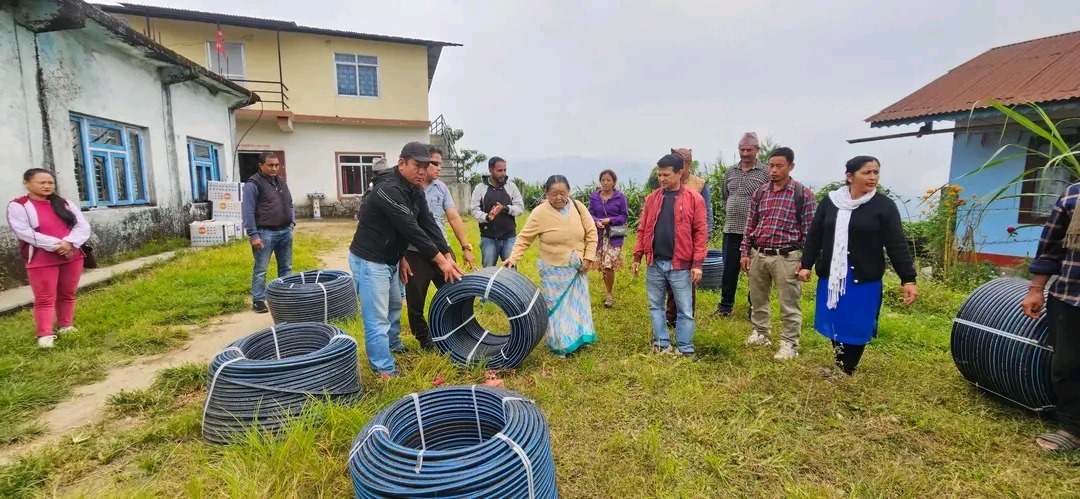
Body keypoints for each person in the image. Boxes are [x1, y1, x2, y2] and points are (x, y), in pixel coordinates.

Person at [349, 142, 464, 377]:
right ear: (402, 163)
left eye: (426, 166)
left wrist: (448, 253)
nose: (422, 171)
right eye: (417, 166)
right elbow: (411, 229)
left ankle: (392, 346)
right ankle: (383, 368)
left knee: (393, 308)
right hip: (371, 261)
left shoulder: (415, 188)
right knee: (377, 317)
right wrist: (441, 262)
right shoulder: (387, 189)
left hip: (392, 257)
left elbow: (428, 222)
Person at [798, 156, 918, 376]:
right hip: (833, 276)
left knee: (857, 323)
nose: (873, 177)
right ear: (849, 176)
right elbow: (815, 234)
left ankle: (847, 368)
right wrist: (806, 264)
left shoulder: (883, 206)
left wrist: (908, 278)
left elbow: (896, 244)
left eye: (876, 172)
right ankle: (840, 363)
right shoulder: (831, 202)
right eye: (867, 172)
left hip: (863, 278)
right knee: (835, 319)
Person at [504, 175, 598, 358]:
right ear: (546, 193)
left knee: (577, 305)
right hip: (553, 268)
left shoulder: (578, 207)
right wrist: (513, 258)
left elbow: (592, 233)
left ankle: (578, 337)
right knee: (556, 306)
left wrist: (588, 258)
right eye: (554, 194)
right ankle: (560, 344)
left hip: (577, 267)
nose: (558, 198)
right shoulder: (539, 213)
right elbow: (524, 238)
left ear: (569, 192)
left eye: (562, 193)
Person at [1021, 181, 1080, 453]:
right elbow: (1050, 246)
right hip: (1071, 296)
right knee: (1067, 365)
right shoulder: (1073, 193)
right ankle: (1072, 428)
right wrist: (1036, 289)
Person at [741, 146, 815, 360]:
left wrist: (806, 261)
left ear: (791, 166)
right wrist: (745, 251)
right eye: (771, 165)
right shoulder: (761, 192)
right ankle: (760, 332)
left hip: (787, 257)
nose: (773, 170)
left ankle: (790, 344)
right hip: (759, 254)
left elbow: (810, 232)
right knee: (757, 297)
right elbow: (750, 223)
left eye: (779, 166)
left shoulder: (803, 194)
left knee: (789, 301)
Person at [401, 145, 477, 350]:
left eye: (440, 164)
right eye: (434, 163)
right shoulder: (407, 189)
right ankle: (425, 340)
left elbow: (453, 216)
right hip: (415, 254)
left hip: (442, 251)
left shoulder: (441, 188)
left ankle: (459, 331)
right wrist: (402, 256)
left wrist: (465, 246)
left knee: (456, 291)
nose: (438, 168)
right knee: (416, 300)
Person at [7, 168, 93, 348]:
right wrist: (57, 245)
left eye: (50, 183)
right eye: (42, 182)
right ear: (27, 183)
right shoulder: (19, 205)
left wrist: (69, 243)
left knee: (67, 294)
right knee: (45, 297)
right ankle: (45, 334)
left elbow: (82, 226)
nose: (47, 186)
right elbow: (24, 233)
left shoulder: (64, 203)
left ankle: (65, 325)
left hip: (71, 255)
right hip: (41, 258)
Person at [633, 154, 708, 357]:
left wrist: (697, 264)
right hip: (655, 262)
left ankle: (685, 347)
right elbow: (642, 229)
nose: (662, 179)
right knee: (655, 306)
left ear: (679, 173)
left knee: (685, 309)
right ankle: (662, 343)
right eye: (659, 174)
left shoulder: (694, 199)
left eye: (666, 174)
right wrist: (637, 256)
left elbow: (700, 232)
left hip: (681, 265)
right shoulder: (653, 198)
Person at [716, 132, 770, 317]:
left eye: (749, 149)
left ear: (757, 150)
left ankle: (754, 308)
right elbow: (725, 196)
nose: (745, 153)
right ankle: (725, 307)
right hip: (731, 229)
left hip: (755, 231)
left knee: (755, 272)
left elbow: (771, 198)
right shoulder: (731, 171)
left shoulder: (765, 172)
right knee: (728, 269)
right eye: (742, 149)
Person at [241, 152, 294, 314]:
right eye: (270, 165)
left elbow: (290, 203)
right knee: (261, 269)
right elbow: (248, 211)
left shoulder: (281, 182)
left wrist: (291, 223)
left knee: (286, 268)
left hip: (285, 231)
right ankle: (258, 300)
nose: (274, 168)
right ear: (261, 165)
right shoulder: (253, 184)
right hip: (265, 233)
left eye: (277, 165)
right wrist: (253, 234)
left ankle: (285, 296)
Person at [665, 147, 711, 327]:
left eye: (682, 163)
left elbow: (707, 216)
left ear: (688, 164)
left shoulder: (699, 184)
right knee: (670, 279)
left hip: (690, 243)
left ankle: (686, 317)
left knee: (687, 281)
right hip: (668, 241)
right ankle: (671, 316)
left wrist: (701, 244)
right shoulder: (666, 181)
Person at [469, 156, 525, 267]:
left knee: (511, 272)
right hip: (488, 238)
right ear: (490, 170)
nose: (503, 173)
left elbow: (520, 208)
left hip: (509, 237)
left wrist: (505, 208)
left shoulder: (511, 187)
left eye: (505, 170)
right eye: (499, 170)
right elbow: (474, 210)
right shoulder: (480, 188)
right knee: (488, 272)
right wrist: (487, 217)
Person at [587, 170, 629, 308]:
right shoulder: (594, 197)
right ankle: (607, 291)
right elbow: (590, 214)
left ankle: (609, 294)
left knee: (608, 265)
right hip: (599, 236)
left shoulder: (620, 197)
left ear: (614, 182)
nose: (605, 183)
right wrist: (596, 221)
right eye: (603, 180)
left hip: (613, 236)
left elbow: (624, 216)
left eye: (608, 180)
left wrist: (609, 220)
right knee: (603, 266)